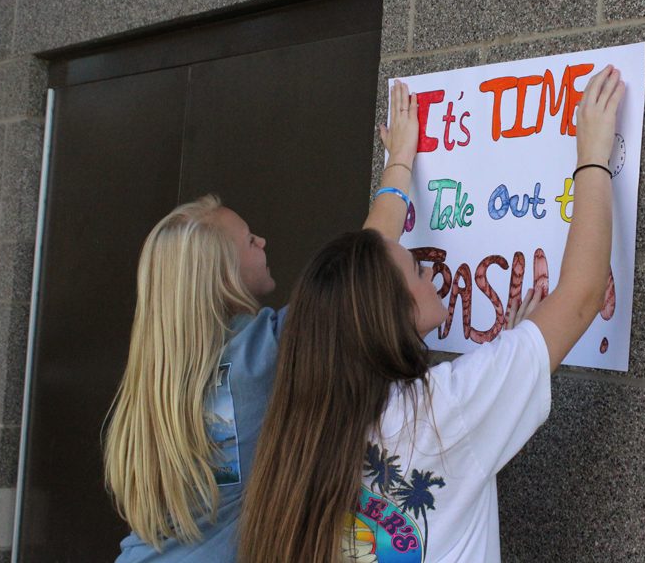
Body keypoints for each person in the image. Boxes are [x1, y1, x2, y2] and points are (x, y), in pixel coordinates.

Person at [239, 65, 625, 562]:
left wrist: (399, 163)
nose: (432, 270)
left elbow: (357, 274)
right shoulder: (445, 409)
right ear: (388, 314)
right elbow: (582, 296)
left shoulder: (299, 430)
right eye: (417, 269)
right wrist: (593, 157)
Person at [103, 80, 422, 561]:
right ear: (222, 275)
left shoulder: (152, 378)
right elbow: (367, 267)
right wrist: (400, 159)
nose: (264, 243)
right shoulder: (263, 352)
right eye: (250, 240)